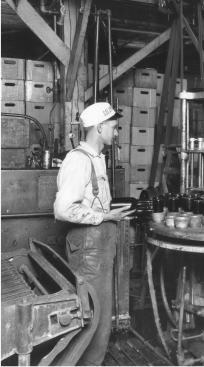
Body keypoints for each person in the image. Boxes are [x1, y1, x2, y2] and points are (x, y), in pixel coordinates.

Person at [54, 102, 134, 365]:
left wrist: (108, 213)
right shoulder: (78, 160)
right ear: (100, 127)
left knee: (99, 320)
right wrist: (105, 216)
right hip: (89, 250)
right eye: (113, 127)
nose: (116, 132)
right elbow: (63, 209)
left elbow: (92, 202)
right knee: (91, 318)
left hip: (98, 249)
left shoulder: (97, 159)